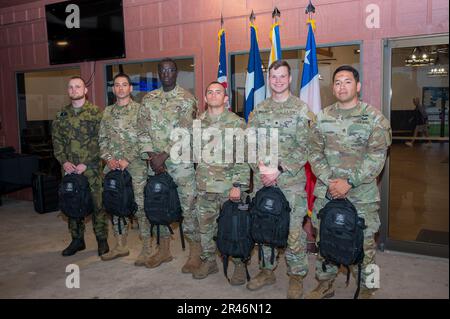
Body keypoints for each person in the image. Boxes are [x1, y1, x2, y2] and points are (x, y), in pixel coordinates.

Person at [306, 65, 392, 299]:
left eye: (347, 81)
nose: (342, 86)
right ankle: (325, 284)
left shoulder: (374, 119)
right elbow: (313, 153)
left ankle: (369, 288)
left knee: (366, 247)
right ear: (332, 88)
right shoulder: (322, 118)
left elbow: (377, 157)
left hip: (361, 195)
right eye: (337, 82)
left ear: (358, 86)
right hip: (328, 192)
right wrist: (330, 180)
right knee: (326, 241)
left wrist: (349, 182)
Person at [246, 60, 313, 299]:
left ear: (290, 78)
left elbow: (307, 147)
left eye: (282, 76)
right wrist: (262, 169)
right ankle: (267, 271)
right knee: (264, 229)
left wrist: (279, 168)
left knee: (293, 233)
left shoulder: (301, 110)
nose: (278, 81)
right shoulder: (260, 110)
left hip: (289, 183)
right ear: (269, 79)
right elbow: (250, 143)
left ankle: (296, 277)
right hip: (264, 181)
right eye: (273, 77)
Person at [137, 58, 201, 273]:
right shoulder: (148, 99)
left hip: (179, 164)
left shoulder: (187, 98)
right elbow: (142, 130)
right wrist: (151, 156)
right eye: (163, 70)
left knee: (189, 207)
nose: (166, 73)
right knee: (158, 204)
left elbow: (186, 132)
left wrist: (162, 156)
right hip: (154, 164)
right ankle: (164, 249)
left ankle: (194, 253)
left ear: (176, 73)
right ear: (158, 73)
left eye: (171, 70)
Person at [191, 81, 250, 283]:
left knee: (234, 228)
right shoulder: (197, 123)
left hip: (228, 189)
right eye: (210, 92)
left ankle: (239, 264)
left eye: (219, 92)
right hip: (204, 186)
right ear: (205, 98)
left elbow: (243, 156)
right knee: (205, 227)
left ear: (226, 99)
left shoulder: (237, 123)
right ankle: (209, 261)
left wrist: (238, 186)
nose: (214, 95)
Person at [52, 76, 109, 257]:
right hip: (69, 170)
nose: (74, 90)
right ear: (68, 91)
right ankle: (77, 240)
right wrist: (64, 161)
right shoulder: (61, 115)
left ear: (85, 90)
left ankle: (102, 240)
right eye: (70, 87)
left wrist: (87, 163)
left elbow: (100, 141)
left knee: (97, 204)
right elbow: (57, 142)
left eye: (78, 87)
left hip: (90, 169)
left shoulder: (96, 113)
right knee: (72, 203)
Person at [98, 73, 151, 265]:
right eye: (117, 85)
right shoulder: (107, 112)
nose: (121, 88)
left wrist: (127, 159)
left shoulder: (140, 111)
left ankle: (146, 248)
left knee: (140, 207)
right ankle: (120, 245)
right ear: (114, 89)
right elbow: (102, 139)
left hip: (135, 167)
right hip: (113, 169)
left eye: (124, 85)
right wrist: (110, 159)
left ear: (130, 88)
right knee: (115, 205)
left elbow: (144, 138)